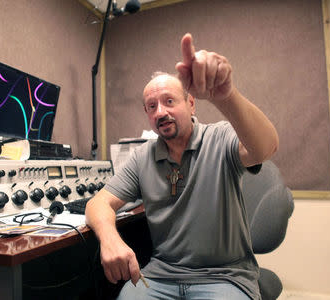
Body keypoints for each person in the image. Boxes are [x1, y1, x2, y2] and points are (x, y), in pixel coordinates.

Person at [85, 33, 279, 300]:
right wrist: (110, 239)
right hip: (160, 276)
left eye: (169, 101)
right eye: (151, 106)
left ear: (190, 104)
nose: (160, 112)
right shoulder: (143, 157)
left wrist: (226, 96)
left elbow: (265, 148)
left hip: (224, 277)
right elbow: (98, 203)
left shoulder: (220, 138)